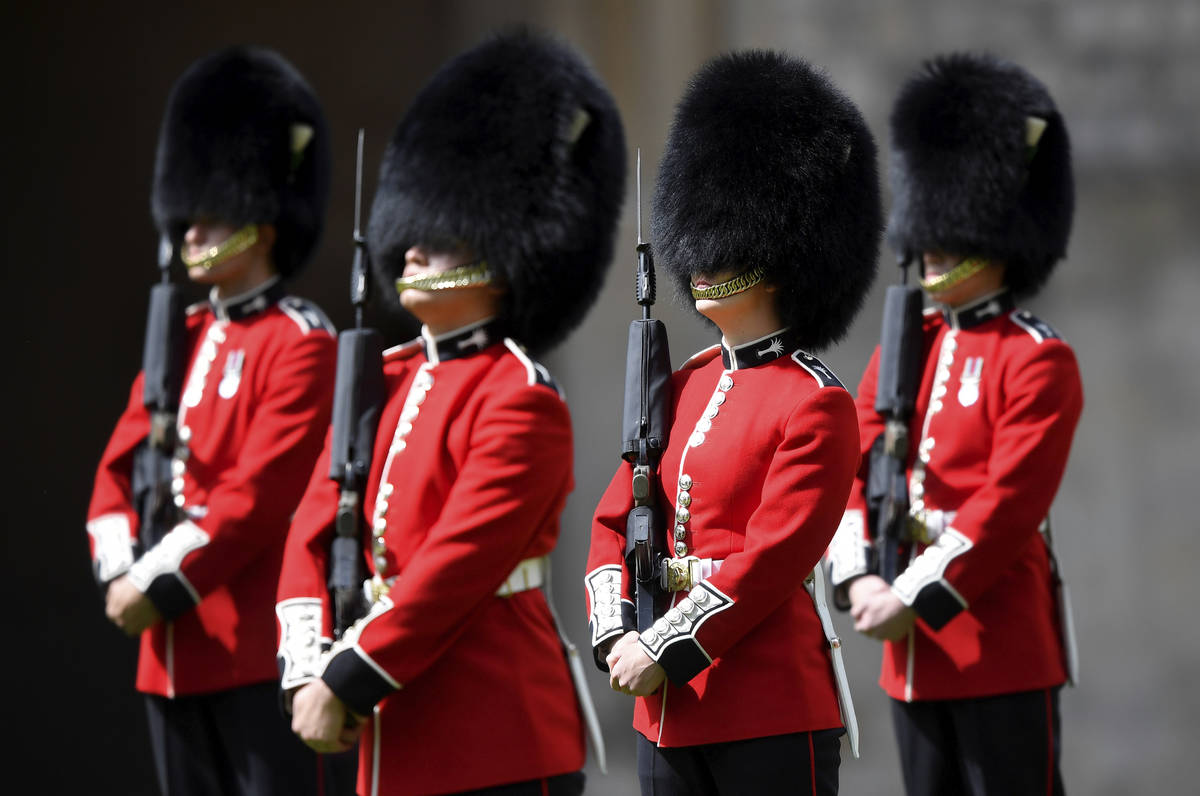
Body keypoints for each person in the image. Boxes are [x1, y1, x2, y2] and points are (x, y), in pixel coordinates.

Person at [275, 30, 626, 796]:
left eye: (438, 241)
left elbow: (455, 569)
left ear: (498, 262)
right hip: (384, 732)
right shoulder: (382, 382)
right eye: (413, 238)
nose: (410, 255)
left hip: (492, 738)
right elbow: (308, 528)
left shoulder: (520, 397)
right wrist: (306, 667)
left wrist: (349, 676)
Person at [586, 50, 880, 795]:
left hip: (767, 709)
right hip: (666, 707)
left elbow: (769, 562)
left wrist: (665, 643)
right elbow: (614, 520)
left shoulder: (814, 401)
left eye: (733, 245)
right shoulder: (681, 386)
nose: (710, 262)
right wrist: (617, 625)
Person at [827, 53, 1082, 795]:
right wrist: (859, 575)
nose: (932, 247)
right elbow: (856, 463)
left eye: (953, 229)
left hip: (995, 644)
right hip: (908, 651)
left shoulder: (1037, 359)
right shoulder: (908, 349)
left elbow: (1006, 507)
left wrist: (908, 595)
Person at [85, 47, 338, 795]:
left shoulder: (301, 340)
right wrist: (117, 570)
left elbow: (254, 498)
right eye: (188, 217)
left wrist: (155, 583)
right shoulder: (183, 336)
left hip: (253, 651)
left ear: (260, 221)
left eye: (212, 215)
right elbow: (117, 469)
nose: (191, 233)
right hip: (166, 650)